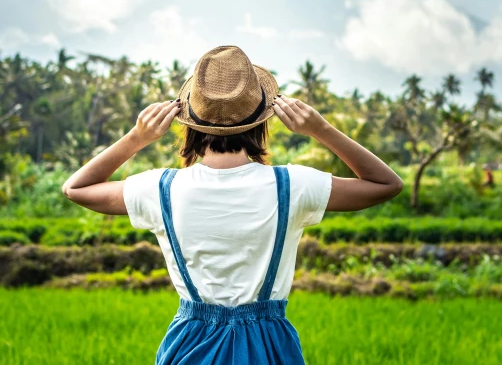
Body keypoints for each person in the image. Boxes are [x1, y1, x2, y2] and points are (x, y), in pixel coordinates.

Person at [61, 45, 404, 364]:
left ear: (189, 123)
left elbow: (77, 188)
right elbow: (386, 184)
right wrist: (322, 129)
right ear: (262, 122)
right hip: (270, 345)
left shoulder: (160, 188)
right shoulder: (293, 185)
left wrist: (137, 137)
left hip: (189, 345)